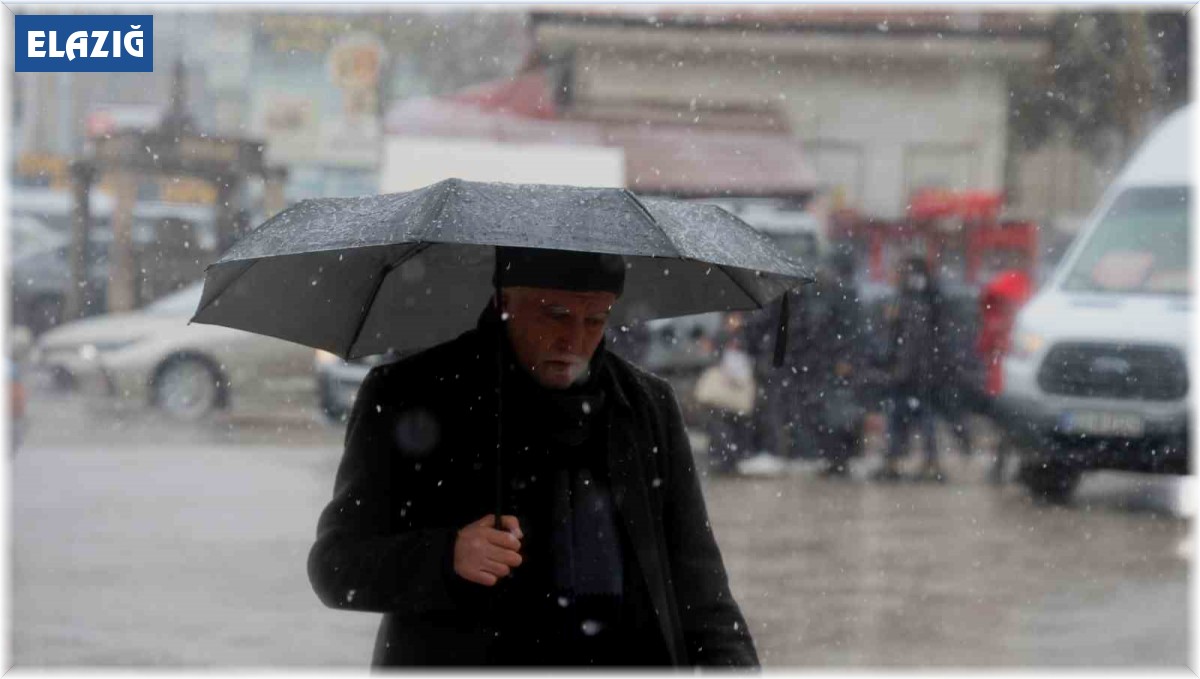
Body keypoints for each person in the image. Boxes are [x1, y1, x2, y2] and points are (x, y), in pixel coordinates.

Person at [308, 246, 759, 668]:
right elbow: (335, 565)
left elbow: (700, 588)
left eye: (595, 320)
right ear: (506, 302)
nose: (574, 340)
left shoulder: (645, 406)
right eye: (556, 314)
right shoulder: (410, 395)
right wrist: (447, 556)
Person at [873, 255, 945, 482]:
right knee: (915, 417)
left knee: (908, 417)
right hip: (919, 372)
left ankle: (904, 463)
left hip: (912, 374)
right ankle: (917, 462)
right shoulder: (916, 300)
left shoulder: (912, 303)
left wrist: (899, 371)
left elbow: (911, 340)